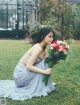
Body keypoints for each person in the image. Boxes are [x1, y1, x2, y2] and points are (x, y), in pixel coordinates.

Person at [0, 27, 56, 100]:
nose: (52, 39)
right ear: (42, 36)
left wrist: (56, 57)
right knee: (43, 65)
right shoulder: (38, 48)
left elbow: (48, 64)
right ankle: (41, 86)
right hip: (20, 74)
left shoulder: (44, 50)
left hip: (26, 73)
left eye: (52, 37)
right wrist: (44, 71)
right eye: (49, 36)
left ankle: (44, 85)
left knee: (45, 63)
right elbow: (28, 66)